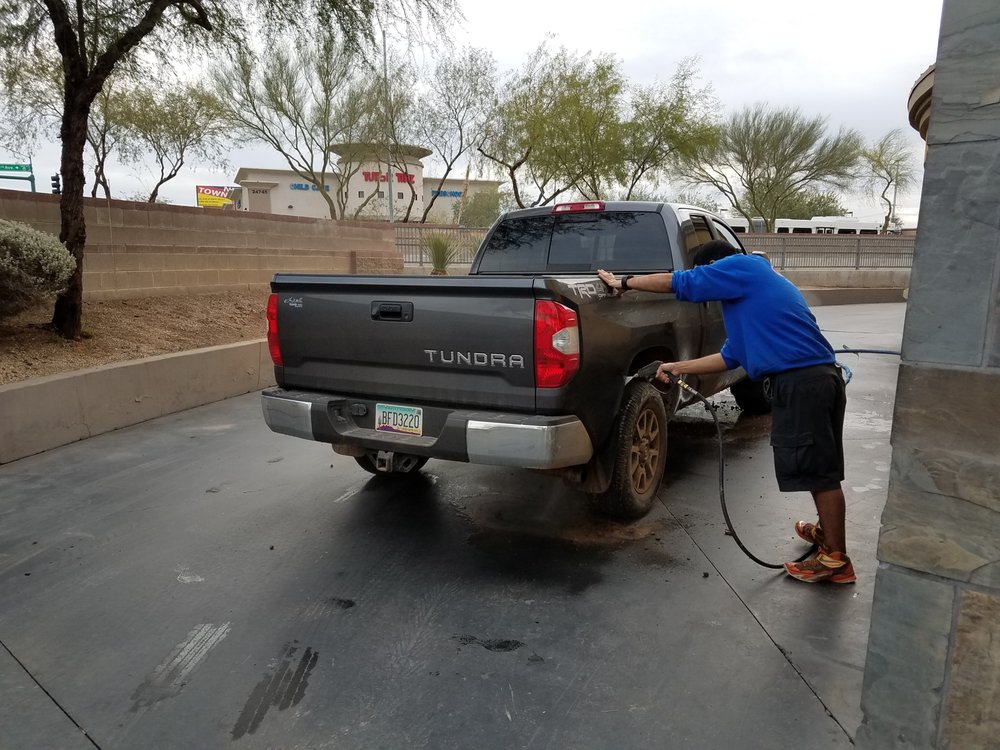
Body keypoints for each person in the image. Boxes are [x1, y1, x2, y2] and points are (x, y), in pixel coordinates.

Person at [597, 240, 855, 584]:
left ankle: (835, 560)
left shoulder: (743, 266)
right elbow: (729, 357)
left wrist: (624, 283)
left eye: (706, 275)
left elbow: (680, 282)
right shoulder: (750, 296)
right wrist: (677, 366)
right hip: (816, 380)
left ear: (715, 266)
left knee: (819, 472)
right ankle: (827, 533)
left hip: (803, 383)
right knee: (817, 464)